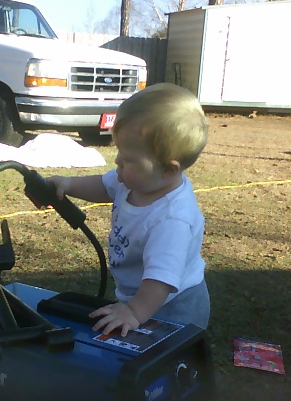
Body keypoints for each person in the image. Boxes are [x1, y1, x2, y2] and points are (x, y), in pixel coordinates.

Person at [49, 83, 210, 337]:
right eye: (119, 153)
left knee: (160, 355)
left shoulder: (172, 220)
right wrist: (68, 185)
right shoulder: (137, 181)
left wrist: (133, 312)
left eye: (128, 159)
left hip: (173, 308)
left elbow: (161, 280)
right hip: (140, 297)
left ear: (168, 169)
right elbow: (104, 186)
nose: (117, 162)